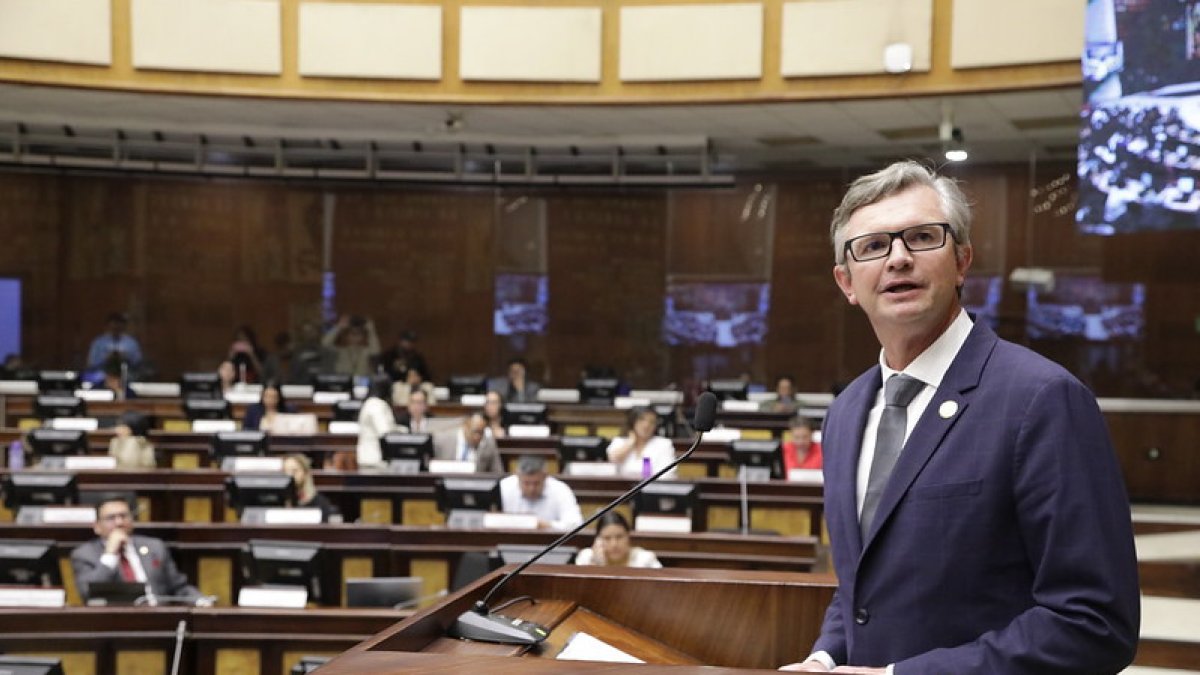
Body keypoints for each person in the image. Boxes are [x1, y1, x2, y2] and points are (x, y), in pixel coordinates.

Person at [781, 161, 1138, 673]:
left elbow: (1095, 622)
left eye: (922, 237)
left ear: (962, 261)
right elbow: (865, 587)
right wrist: (824, 658)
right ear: (847, 282)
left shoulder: (1042, 399)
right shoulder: (846, 412)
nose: (898, 258)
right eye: (873, 246)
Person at [71, 494, 209, 605]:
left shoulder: (155, 547)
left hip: (160, 622)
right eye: (111, 518)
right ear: (97, 527)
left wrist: (201, 601)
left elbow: (179, 588)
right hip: (115, 626)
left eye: (124, 516)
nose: (119, 522)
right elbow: (88, 593)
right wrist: (110, 554)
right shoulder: (84, 555)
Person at [499, 455, 583, 530]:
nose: (531, 489)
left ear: (545, 476)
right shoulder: (503, 487)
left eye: (536, 483)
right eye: (526, 483)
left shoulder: (560, 490)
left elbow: (576, 525)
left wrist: (549, 526)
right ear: (517, 476)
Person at [606, 406, 676, 479]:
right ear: (633, 421)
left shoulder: (664, 444)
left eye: (652, 422)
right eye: (641, 420)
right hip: (623, 487)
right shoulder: (620, 441)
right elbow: (613, 459)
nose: (646, 425)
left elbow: (667, 474)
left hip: (653, 487)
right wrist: (630, 443)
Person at [574, 512, 661, 568]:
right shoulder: (586, 558)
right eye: (607, 538)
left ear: (628, 536)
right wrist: (596, 565)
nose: (614, 544)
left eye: (619, 537)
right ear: (598, 540)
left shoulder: (644, 560)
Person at [432, 413, 503, 473]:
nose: (477, 437)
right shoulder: (442, 440)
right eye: (475, 432)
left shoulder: (488, 444)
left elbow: (498, 472)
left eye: (481, 433)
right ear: (465, 427)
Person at [356, 375, 400, 470]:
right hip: (375, 460)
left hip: (366, 458)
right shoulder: (377, 405)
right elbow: (385, 433)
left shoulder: (368, 403)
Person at [282, 454, 340, 523]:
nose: (290, 475)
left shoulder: (320, 502)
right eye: (286, 471)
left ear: (305, 473)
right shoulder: (277, 500)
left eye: (294, 471)